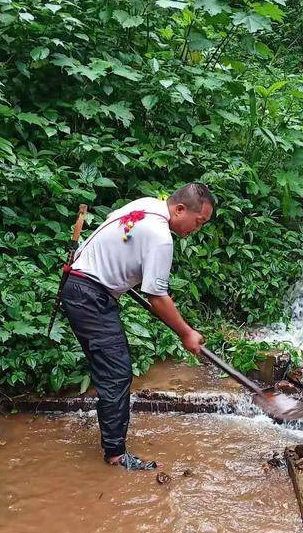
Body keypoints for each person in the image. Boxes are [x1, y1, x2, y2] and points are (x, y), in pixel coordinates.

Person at [61, 183, 215, 470]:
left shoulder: (146, 205)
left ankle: (112, 443)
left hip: (81, 286)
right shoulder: (160, 237)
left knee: (111, 371)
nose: (198, 228)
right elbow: (157, 297)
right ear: (180, 209)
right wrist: (187, 333)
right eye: (199, 222)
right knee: (117, 374)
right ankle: (116, 456)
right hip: (90, 295)